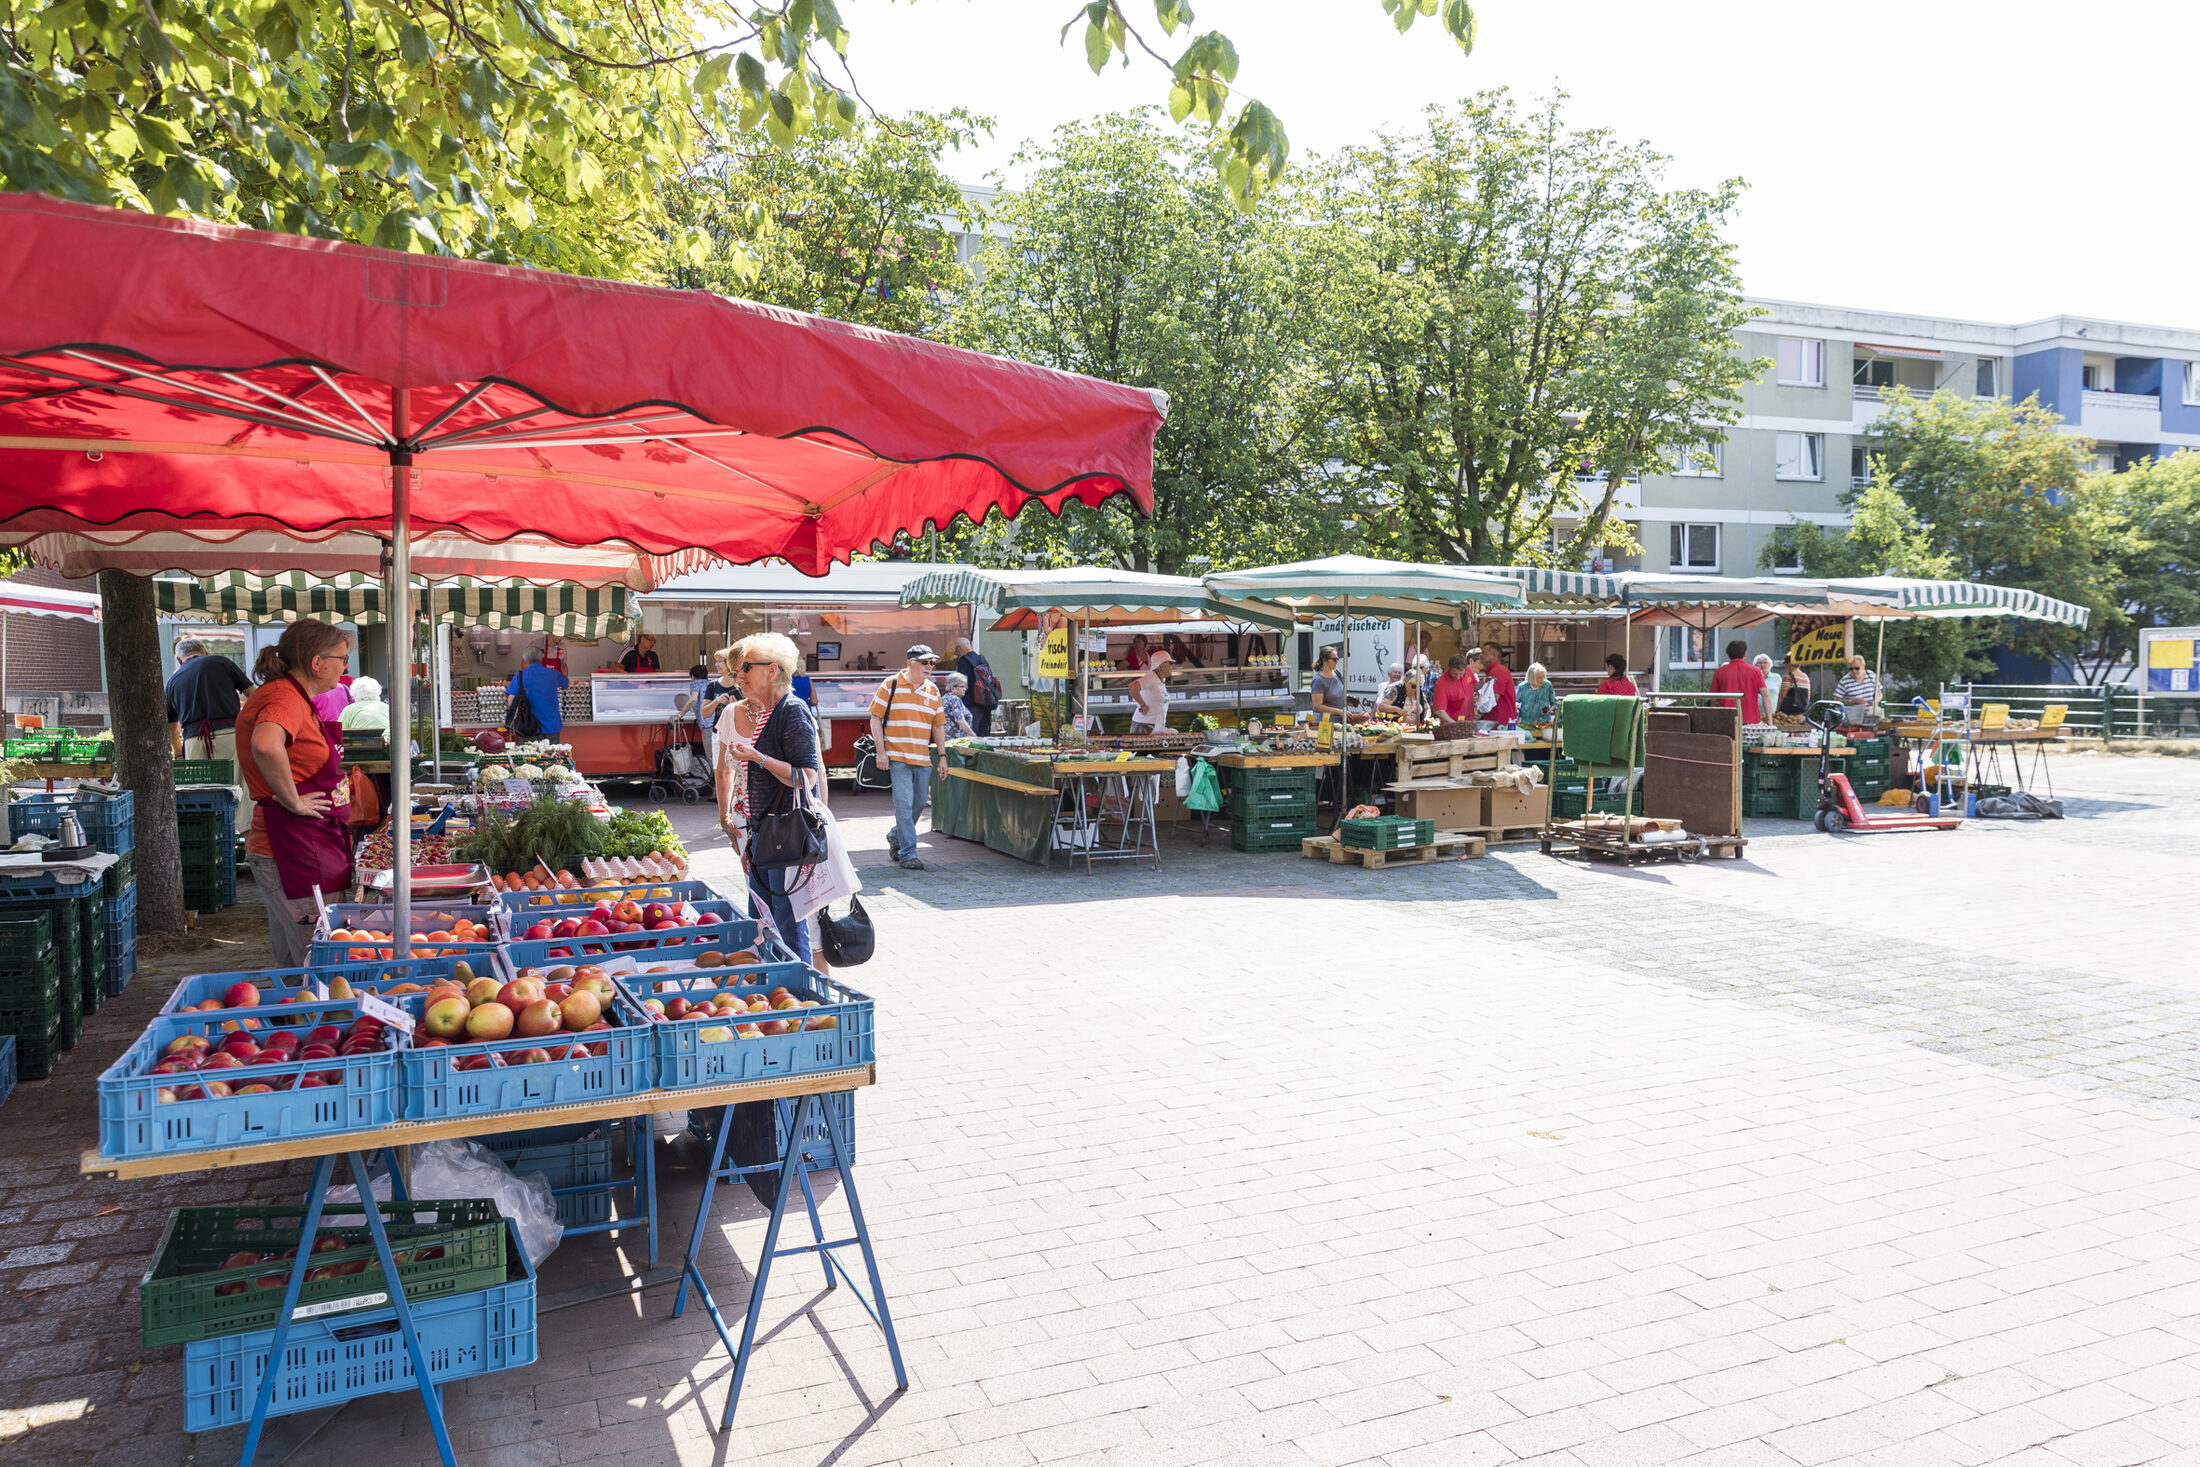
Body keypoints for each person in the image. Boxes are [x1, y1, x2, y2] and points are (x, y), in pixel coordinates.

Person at [235, 619, 355, 968]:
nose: (345, 666)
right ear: (318, 662)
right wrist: (292, 799)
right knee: (315, 953)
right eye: (342, 658)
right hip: (291, 845)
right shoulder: (283, 696)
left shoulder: (294, 697)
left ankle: (294, 1014)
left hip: (306, 841)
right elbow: (266, 744)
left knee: (295, 959)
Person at [715, 632, 825, 964]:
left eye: (747, 667)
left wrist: (756, 757)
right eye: (738, 670)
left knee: (787, 922)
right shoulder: (769, 711)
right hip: (765, 833)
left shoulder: (793, 710)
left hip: (786, 837)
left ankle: (802, 991)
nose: (740, 676)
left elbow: (806, 776)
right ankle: (776, 986)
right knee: (763, 917)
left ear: (772, 670)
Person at [867, 644, 946, 870]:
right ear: (909, 663)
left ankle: (895, 836)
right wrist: (881, 753)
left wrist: (942, 756)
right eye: (924, 662)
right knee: (903, 805)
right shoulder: (890, 684)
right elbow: (875, 719)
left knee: (918, 805)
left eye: (932, 662)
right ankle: (908, 853)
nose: (929, 666)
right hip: (897, 757)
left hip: (922, 758)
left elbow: (938, 726)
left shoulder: (933, 690)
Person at [166, 637, 256, 768]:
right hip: (229, 735)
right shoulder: (221, 662)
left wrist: (179, 753)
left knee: (200, 787)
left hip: (193, 741)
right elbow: (254, 696)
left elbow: (171, 726)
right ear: (206, 653)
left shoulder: (171, 682)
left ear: (179, 660)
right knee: (235, 785)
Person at [506, 645, 569, 739]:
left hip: (527, 727)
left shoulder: (520, 676)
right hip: (551, 727)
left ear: (525, 659)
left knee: (529, 753)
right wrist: (564, 667)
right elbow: (565, 683)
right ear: (541, 658)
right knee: (551, 753)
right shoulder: (553, 674)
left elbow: (511, 702)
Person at [1708, 640, 1767, 726]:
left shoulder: (1720, 672)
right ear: (1745, 654)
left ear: (1728, 654)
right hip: (1751, 720)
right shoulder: (1756, 671)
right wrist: (1769, 720)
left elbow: (1713, 699)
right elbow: (1765, 694)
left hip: (1727, 719)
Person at [952, 636, 999, 737]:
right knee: (984, 736)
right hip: (986, 703)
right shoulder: (982, 659)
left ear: (959, 649)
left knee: (971, 737)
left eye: (956, 651)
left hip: (971, 705)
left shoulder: (963, 661)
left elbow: (962, 683)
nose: (956, 654)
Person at [1309, 648, 1359, 723]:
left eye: (1337, 659)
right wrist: (1339, 712)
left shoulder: (1337, 673)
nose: (1337, 662)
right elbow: (1317, 706)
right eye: (1334, 659)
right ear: (1324, 660)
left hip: (1340, 720)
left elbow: (1340, 692)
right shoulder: (1318, 680)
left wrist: (1347, 699)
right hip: (1325, 721)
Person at [1129, 652, 1173, 734]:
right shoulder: (1150, 678)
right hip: (1143, 726)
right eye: (1170, 664)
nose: (1172, 667)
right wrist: (1143, 705)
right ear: (1162, 666)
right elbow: (1133, 687)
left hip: (1155, 725)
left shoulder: (1162, 680)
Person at [1480, 642, 1518, 725]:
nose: (1480, 655)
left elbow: (1493, 698)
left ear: (1494, 655)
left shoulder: (1497, 671)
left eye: (1484, 653)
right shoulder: (1493, 670)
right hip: (1497, 721)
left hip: (1501, 723)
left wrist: (1479, 708)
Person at [1431, 653, 1476, 721]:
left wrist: (1484, 682)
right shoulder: (1441, 684)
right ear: (1449, 668)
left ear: (1465, 668)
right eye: (1454, 674)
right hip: (1452, 723)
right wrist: (1453, 723)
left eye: (1460, 674)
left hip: (1470, 719)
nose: (1457, 677)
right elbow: (1438, 710)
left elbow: (1473, 687)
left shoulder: (1468, 670)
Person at [1835, 655, 1881, 720]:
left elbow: (1879, 693)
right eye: (1851, 669)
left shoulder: (1871, 675)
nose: (1854, 671)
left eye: (1857, 668)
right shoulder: (1844, 681)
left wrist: (1875, 701)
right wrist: (1853, 701)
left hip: (1871, 715)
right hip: (1853, 718)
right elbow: (1837, 700)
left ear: (1863, 666)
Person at [1516, 663, 1558, 729]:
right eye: (1539, 677)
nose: (1542, 679)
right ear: (1531, 677)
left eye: (1543, 677)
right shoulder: (1522, 687)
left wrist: (1549, 710)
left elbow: (1554, 703)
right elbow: (1515, 702)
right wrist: (1516, 706)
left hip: (1544, 724)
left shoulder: (1547, 685)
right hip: (1526, 724)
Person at [939, 671, 978, 738]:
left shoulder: (944, 698)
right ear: (952, 688)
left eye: (965, 687)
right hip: (957, 740)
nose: (964, 689)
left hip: (947, 739)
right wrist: (973, 736)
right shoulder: (955, 699)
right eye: (962, 686)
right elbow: (960, 720)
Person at [1751, 653, 1778, 725]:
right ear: (1755, 665)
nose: (1763, 665)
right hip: (1756, 715)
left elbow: (1782, 694)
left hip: (1773, 714)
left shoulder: (1776, 677)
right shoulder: (1751, 678)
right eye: (1760, 663)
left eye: (1765, 663)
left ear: (1770, 665)